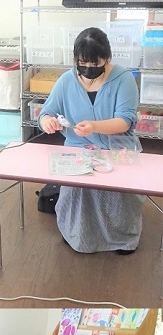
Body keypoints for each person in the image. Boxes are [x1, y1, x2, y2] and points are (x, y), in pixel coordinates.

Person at [38, 27, 142, 254]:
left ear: (108, 58)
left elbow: (125, 121)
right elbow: (45, 113)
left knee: (115, 190)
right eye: (82, 63)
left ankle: (121, 238)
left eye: (95, 64)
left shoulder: (123, 79)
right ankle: (76, 233)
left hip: (116, 148)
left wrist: (95, 126)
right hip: (78, 148)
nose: (88, 69)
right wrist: (47, 121)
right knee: (78, 190)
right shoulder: (67, 80)